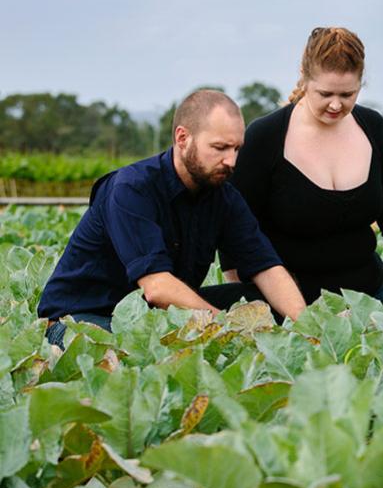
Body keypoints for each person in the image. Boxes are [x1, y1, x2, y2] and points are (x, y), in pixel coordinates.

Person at [38, 90, 307, 347]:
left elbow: (267, 269)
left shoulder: (224, 197)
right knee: (131, 353)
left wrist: (307, 327)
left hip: (151, 316)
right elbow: (157, 288)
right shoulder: (132, 188)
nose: (231, 161)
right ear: (182, 138)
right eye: (220, 148)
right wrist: (227, 329)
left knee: (259, 300)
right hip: (84, 318)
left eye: (236, 149)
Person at [222, 27, 383, 304]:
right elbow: (235, 231)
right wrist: (247, 301)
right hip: (288, 304)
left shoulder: (375, 130)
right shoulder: (265, 137)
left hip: (368, 298)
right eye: (325, 93)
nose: (336, 105)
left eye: (348, 94)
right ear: (304, 79)